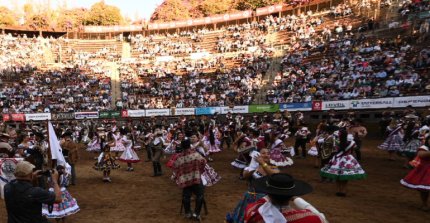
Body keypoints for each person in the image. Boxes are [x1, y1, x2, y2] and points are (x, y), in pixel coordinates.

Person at [244, 173, 327, 223]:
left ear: (268, 193)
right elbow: (322, 218)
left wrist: (272, 190)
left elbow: (261, 201)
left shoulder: (253, 212)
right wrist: (296, 199)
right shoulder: (310, 217)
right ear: (292, 194)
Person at [228, 148, 280, 223]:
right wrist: (254, 168)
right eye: (263, 153)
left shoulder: (274, 168)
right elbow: (245, 176)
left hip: (266, 201)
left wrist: (262, 163)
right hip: (250, 199)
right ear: (258, 155)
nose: (266, 155)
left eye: (268, 153)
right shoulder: (253, 167)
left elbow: (274, 176)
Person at [320, 129, 367, 196]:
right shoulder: (351, 142)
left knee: (337, 176)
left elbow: (335, 149)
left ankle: (339, 190)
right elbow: (356, 148)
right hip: (348, 159)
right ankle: (343, 191)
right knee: (345, 176)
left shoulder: (337, 142)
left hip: (338, 159)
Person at [173, 139, 207, 221]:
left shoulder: (178, 157)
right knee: (200, 195)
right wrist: (198, 170)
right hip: (195, 177)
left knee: (186, 196)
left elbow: (175, 167)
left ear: (181, 146)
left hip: (185, 180)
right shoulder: (195, 155)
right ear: (189, 145)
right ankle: (196, 213)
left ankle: (187, 213)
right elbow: (204, 162)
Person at [400, 135, 430, 211]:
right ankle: (424, 204)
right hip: (425, 172)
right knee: (424, 189)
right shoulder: (424, 148)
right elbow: (421, 154)